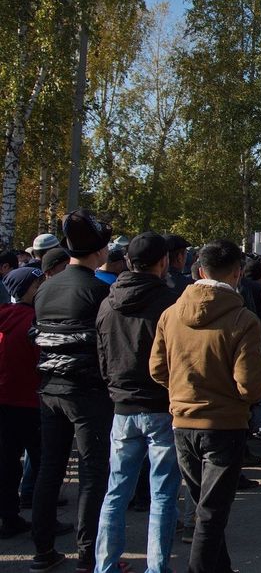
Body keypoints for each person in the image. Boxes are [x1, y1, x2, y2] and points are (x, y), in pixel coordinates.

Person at [150, 239, 261, 573]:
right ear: (237, 273)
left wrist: (183, 392)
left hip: (182, 422)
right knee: (211, 513)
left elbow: (157, 369)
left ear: (199, 270)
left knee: (205, 507)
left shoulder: (171, 314)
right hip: (224, 425)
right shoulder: (243, 320)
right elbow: (249, 384)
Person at [29, 209, 114, 572]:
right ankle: (88, 554)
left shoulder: (46, 286)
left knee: (50, 468)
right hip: (87, 392)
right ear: (100, 250)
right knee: (93, 473)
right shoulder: (98, 290)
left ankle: (42, 550)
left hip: (49, 389)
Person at [94, 233, 180, 573]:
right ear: (162, 262)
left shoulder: (107, 302)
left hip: (123, 405)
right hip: (160, 404)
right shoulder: (169, 304)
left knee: (116, 491)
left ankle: (105, 564)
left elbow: (102, 357)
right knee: (162, 494)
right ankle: (157, 566)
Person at [0, 267, 45, 539]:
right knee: (43, 463)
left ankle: (9, 515)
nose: (41, 288)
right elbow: (41, 361)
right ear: (27, 289)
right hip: (29, 402)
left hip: (5, 401)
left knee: (7, 463)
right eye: (38, 283)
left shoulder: (4, 316)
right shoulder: (33, 321)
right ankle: (43, 520)